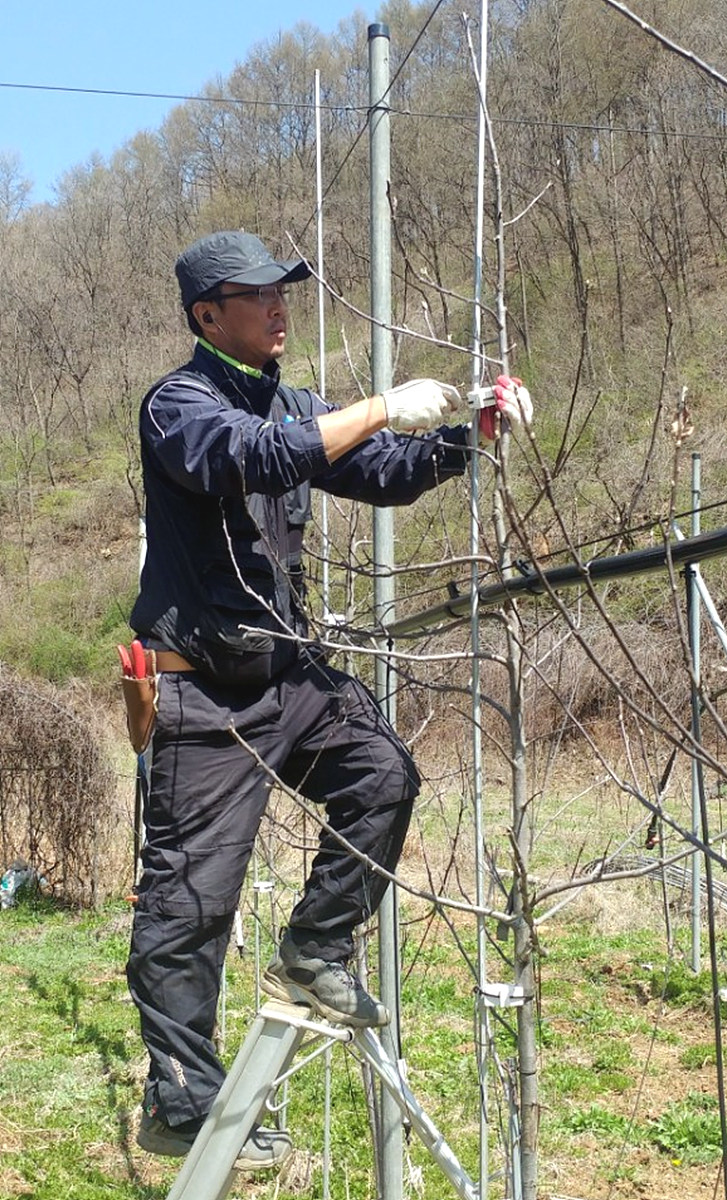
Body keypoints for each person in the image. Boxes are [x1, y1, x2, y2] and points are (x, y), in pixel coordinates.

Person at [125, 229, 532, 1169]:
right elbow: (256, 459)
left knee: (382, 773)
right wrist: (382, 404)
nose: (280, 308)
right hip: (200, 697)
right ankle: (181, 1100)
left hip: (285, 677)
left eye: (284, 293)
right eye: (258, 295)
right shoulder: (177, 404)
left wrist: (463, 437)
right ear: (206, 315)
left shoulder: (297, 404)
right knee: (189, 908)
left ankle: (314, 947)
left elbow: (374, 473)